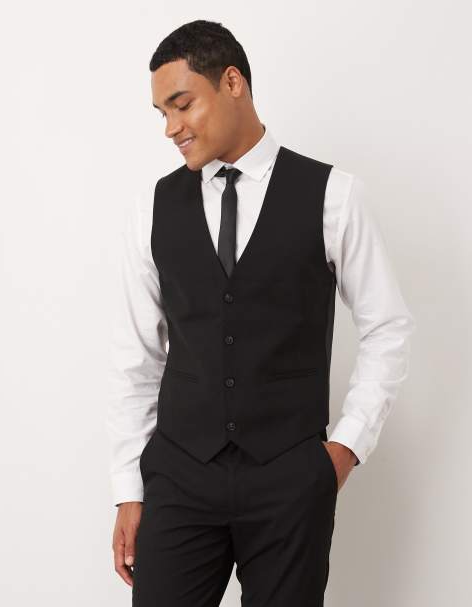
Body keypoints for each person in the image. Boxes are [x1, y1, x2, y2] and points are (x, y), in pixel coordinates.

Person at [106, 19, 416, 606]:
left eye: (182, 105)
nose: (170, 128)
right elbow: (136, 356)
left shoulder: (334, 195)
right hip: (179, 476)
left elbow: (388, 327)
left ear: (233, 83)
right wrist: (128, 488)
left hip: (289, 480)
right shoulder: (153, 207)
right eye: (161, 113)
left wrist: (345, 449)